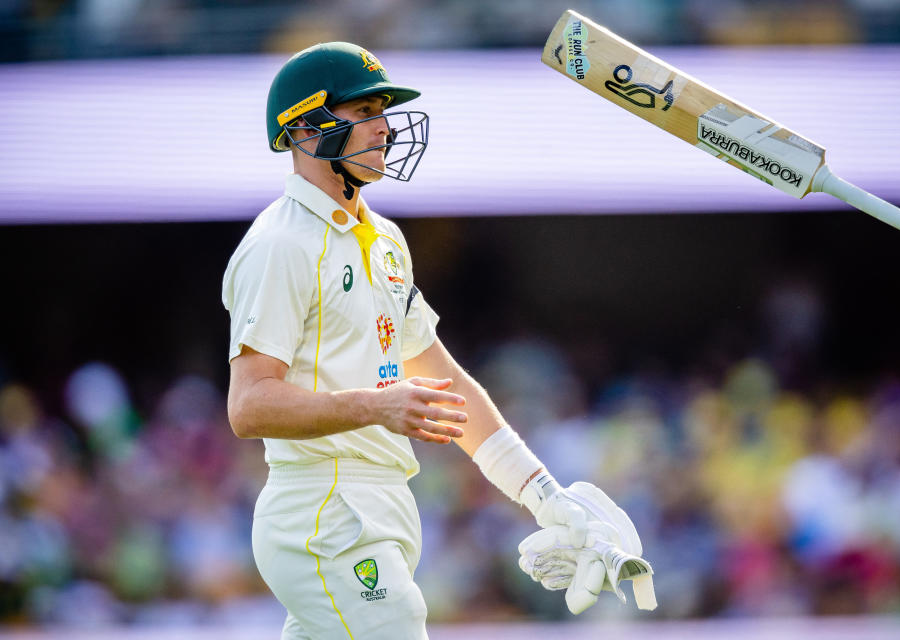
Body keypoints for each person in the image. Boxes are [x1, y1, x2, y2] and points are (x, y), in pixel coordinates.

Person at [222, 42, 654, 640]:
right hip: (323, 508)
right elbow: (249, 406)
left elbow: (445, 382)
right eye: (363, 111)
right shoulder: (280, 244)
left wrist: (544, 495)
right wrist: (375, 405)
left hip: (386, 502)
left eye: (382, 111)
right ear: (304, 127)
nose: (384, 128)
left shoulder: (385, 240)